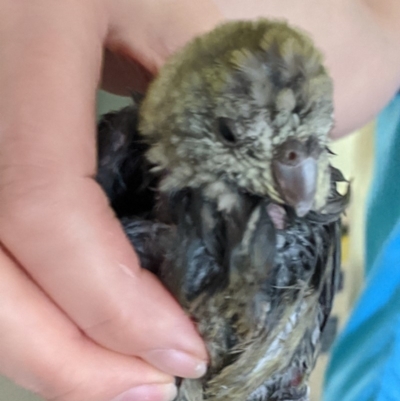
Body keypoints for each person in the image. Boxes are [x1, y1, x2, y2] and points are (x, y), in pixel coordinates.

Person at [0, 1, 399, 401]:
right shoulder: (126, 164)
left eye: (311, 145)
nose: (300, 181)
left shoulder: (302, 211)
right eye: (231, 134)